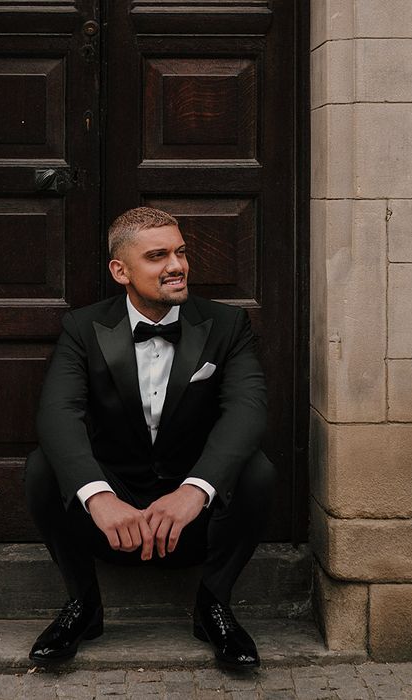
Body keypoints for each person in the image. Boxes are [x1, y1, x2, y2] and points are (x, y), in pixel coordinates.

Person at [25, 207, 276, 668]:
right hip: (114, 514)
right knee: (43, 467)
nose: (177, 265)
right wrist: (99, 497)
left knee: (257, 470)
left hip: (193, 516)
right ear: (120, 270)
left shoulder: (226, 325)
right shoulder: (82, 329)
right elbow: (58, 413)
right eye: (158, 256)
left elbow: (247, 409)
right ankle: (84, 605)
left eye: (180, 252)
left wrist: (196, 490)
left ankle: (213, 605)